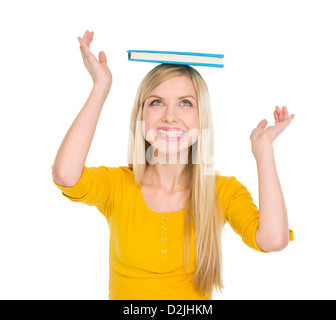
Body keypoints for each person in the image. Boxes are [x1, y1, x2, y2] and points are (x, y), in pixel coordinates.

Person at [51, 30, 294, 300]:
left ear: (202, 118)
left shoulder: (223, 192)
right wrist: (100, 87)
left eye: (185, 104)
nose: (170, 117)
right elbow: (65, 174)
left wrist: (264, 150)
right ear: (141, 115)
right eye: (157, 103)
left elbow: (273, 240)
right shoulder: (118, 185)